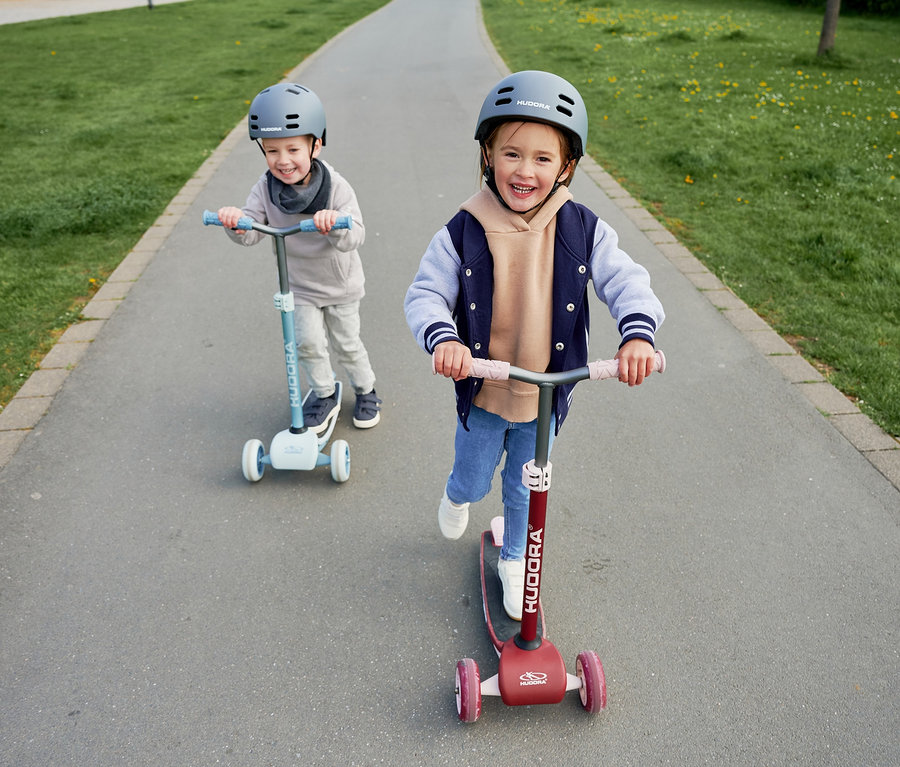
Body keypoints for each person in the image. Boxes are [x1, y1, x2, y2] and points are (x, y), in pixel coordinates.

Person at [404, 71, 665, 620]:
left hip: (546, 396)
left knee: (528, 487)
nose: (525, 171)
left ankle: (516, 559)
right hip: (483, 385)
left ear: (566, 166)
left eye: (543, 159)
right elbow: (426, 293)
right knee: (476, 478)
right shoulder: (464, 228)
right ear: (487, 155)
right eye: (512, 154)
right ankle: (457, 493)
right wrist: (443, 339)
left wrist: (637, 333)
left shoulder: (581, 228)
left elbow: (625, 280)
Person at [216, 82, 381, 433]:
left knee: (347, 344)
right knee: (306, 344)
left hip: (340, 287)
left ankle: (365, 389)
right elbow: (249, 233)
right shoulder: (265, 188)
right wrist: (235, 223)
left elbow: (356, 236)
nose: (283, 160)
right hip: (299, 289)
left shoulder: (336, 187)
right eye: (272, 150)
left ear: (315, 145)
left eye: (293, 148)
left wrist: (333, 225)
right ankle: (323, 392)